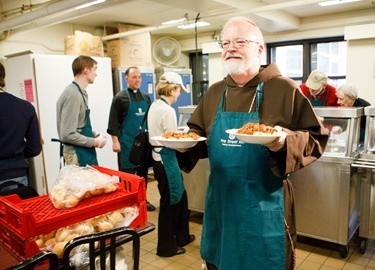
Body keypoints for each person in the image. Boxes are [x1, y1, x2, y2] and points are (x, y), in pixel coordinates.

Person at [186, 16, 329, 270]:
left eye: (240, 41)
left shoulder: (284, 89)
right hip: (222, 206)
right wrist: (182, 145)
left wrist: (283, 144)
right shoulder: (215, 92)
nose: (231, 48)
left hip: (264, 208)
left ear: (259, 49)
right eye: (226, 43)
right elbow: (197, 136)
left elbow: (315, 139)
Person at [148, 72, 195, 257]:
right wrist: (188, 140)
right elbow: (173, 141)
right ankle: (166, 247)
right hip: (166, 159)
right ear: (172, 88)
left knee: (180, 197)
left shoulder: (155, 104)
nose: (179, 95)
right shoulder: (167, 110)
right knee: (170, 202)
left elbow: (166, 133)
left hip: (158, 157)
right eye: (178, 91)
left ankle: (182, 236)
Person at [107, 66, 155, 212]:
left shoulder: (146, 97)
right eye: (134, 77)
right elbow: (113, 122)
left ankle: (142, 200)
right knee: (127, 176)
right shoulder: (119, 98)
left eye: (139, 77)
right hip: (126, 143)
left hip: (142, 144)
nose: (137, 80)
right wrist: (115, 141)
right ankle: (128, 203)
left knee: (142, 174)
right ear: (126, 79)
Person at [56, 55, 107, 167]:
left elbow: (78, 126)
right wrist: (95, 142)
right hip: (76, 154)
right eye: (94, 69)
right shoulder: (73, 95)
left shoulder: (80, 93)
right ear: (86, 70)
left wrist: (93, 134)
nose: (96, 74)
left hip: (83, 151)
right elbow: (67, 134)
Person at [0, 62, 42, 191]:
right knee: (15, 211)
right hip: (16, 176)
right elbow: (34, 148)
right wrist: (16, 152)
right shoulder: (25, 107)